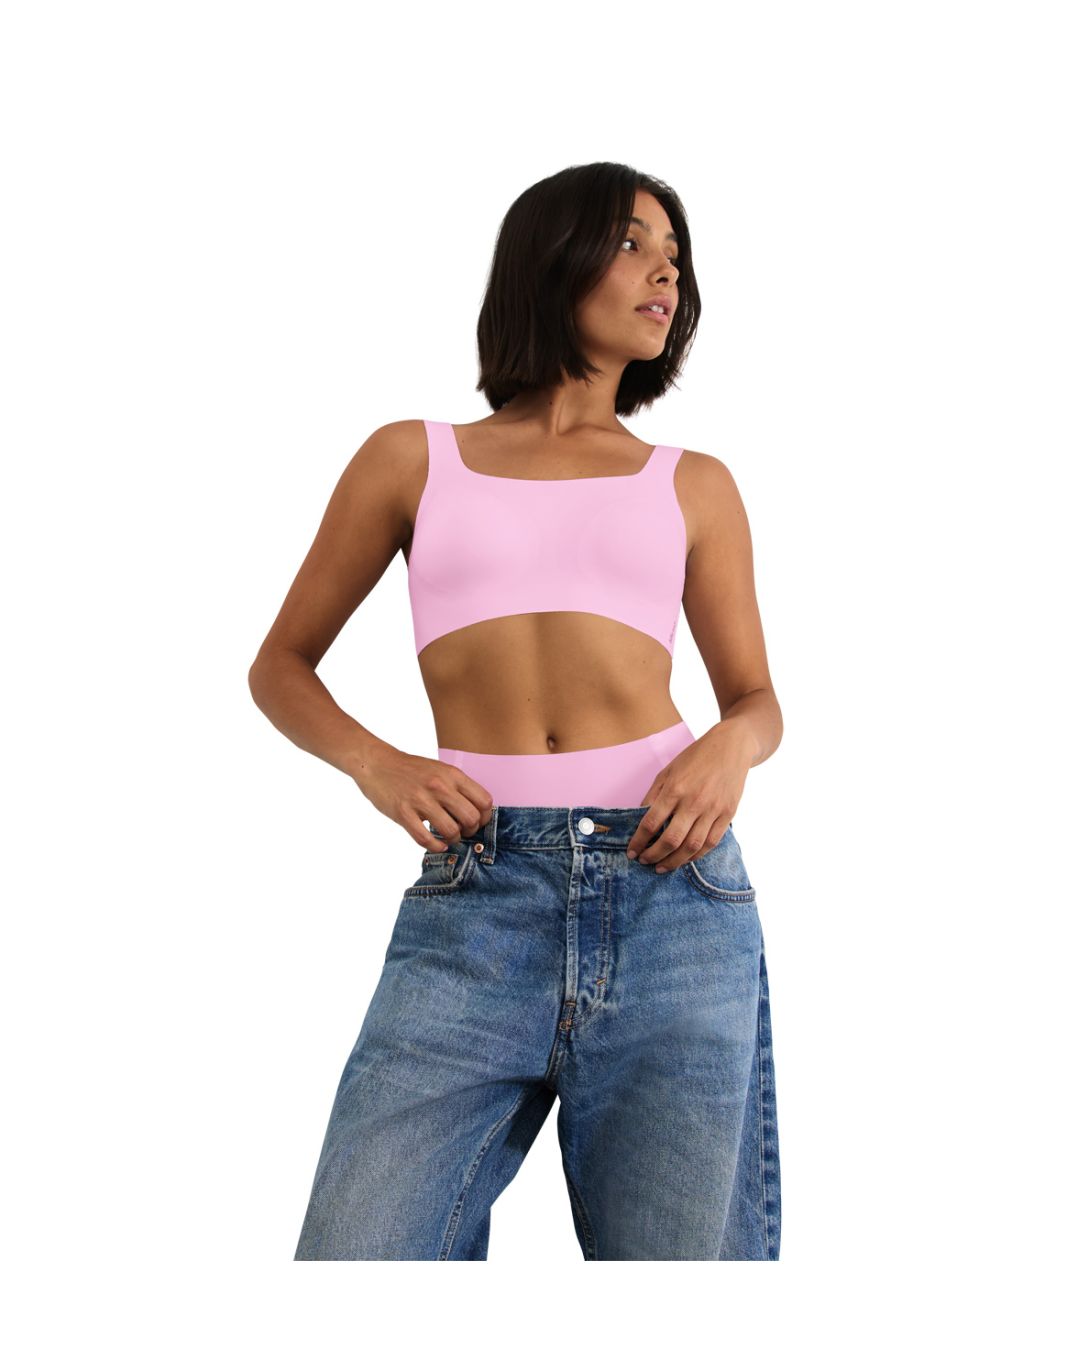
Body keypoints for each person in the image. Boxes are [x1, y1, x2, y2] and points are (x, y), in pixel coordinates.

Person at [249, 161, 783, 1261]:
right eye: (633, 243)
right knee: (356, 1253)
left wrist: (732, 745)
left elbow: (756, 700)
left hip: (670, 892)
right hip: (478, 893)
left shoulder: (693, 482)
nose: (665, 273)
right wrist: (380, 763)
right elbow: (281, 666)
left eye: (674, 257)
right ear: (554, 257)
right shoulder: (413, 458)